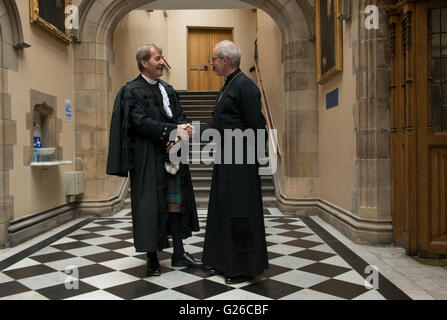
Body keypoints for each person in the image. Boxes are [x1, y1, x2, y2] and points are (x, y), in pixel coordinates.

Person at [106, 44, 204, 277]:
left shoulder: (168, 89)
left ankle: (179, 253)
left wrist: (179, 135)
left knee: (175, 203)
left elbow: (179, 115)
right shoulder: (131, 91)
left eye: (162, 58)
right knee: (149, 208)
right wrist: (173, 130)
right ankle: (152, 258)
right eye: (158, 59)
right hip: (147, 158)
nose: (162, 63)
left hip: (173, 156)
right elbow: (140, 123)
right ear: (144, 63)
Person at [200, 40, 269, 284]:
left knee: (239, 213)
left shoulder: (245, 86)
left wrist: (246, 157)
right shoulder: (227, 86)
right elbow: (221, 125)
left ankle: (241, 267)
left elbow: (258, 127)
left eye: (214, 59)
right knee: (224, 211)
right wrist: (193, 130)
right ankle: (222, 261)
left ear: (226, 61)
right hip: (226, 160)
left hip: (240, 164)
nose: (211, 63)